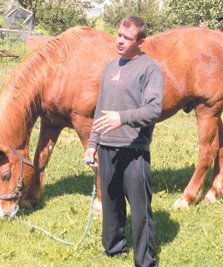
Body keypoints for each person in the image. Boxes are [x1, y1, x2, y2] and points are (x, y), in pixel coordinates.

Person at [84, 16, 164, 267]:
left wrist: (122, 118)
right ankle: (114, 250)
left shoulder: (149, 69)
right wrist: (92, 144)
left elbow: (154, 110)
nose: (119, 40)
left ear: (141, 42)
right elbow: (101, 108)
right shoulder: (110, 67)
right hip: (107, 147)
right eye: (118, 34)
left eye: (126, 38)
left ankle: (145, 261)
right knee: (111, 205)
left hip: (134, 149)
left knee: (140, 212)